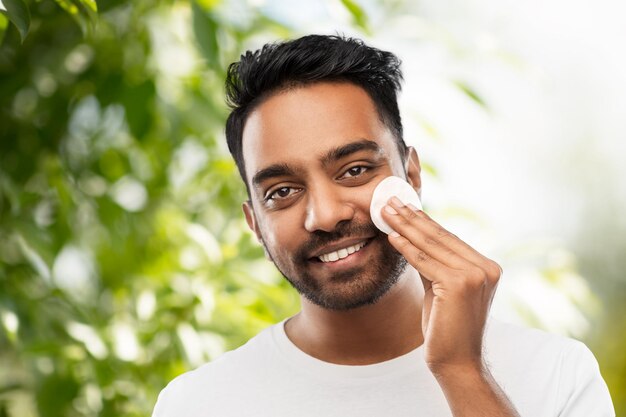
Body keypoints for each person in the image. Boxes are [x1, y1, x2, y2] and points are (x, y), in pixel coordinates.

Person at [152, 34, 614, 416]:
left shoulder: (556, 375)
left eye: (354, 170)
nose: (325, 215)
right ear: (255, 222)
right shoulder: (196, 404)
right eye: (282, 192)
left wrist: (462, 371)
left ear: (410, 175)